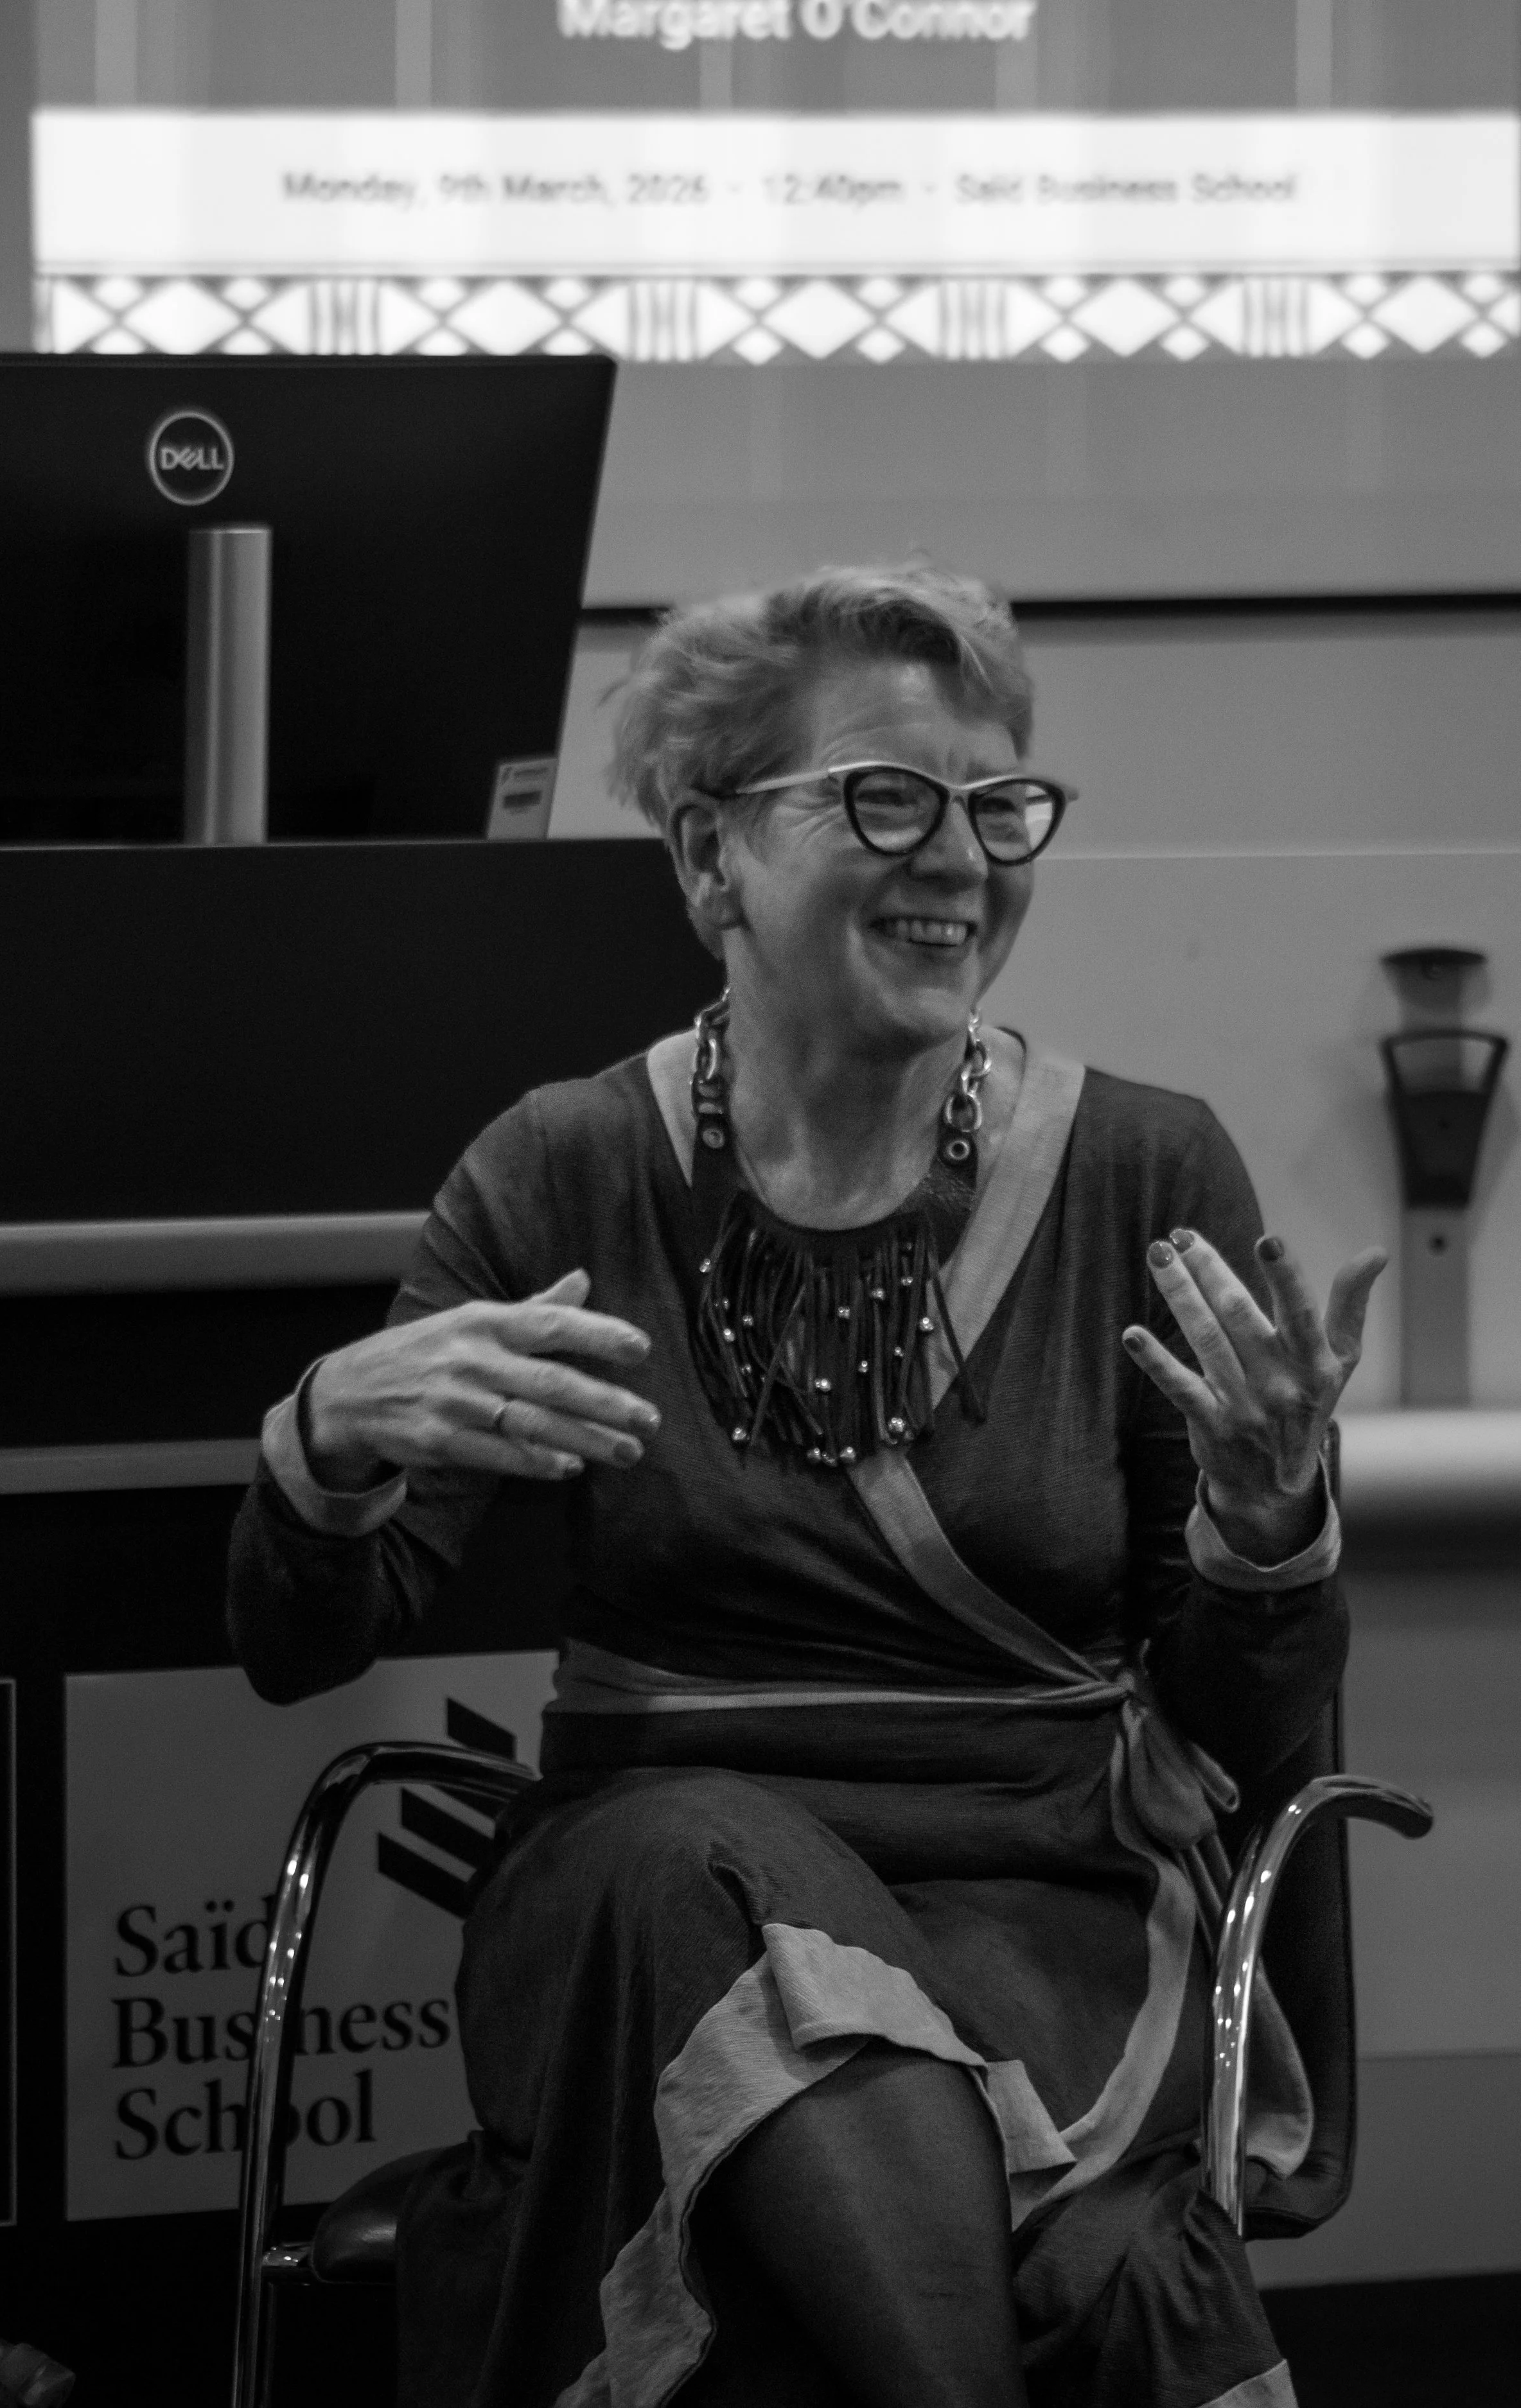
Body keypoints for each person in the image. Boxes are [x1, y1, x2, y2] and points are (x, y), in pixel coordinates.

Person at [227, 564, 1385, 2408]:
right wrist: (330, 1441)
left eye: (999, 806)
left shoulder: (1143, 1166)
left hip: (1034, 1919)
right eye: (883, 799)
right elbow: (302, 1640)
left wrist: (1267, 1538)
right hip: (643, 1918)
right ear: (707, 859)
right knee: (684, 1860)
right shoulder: (558, 1172)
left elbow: (1244, 1724)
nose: (960, 858)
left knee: (811, 2145)